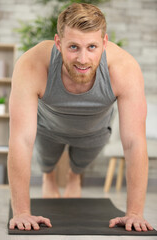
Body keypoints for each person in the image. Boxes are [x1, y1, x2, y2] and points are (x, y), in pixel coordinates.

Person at [8, 2, 153, 232]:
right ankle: (50, 177)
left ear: (104, 44)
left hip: (94, 132)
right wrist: (22, 212)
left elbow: (134, 142)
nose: (83, 59)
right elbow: (21, 140)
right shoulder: (32, 64)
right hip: (48, 129)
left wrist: (134, 213)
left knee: (79, 166)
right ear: (58, 43)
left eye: (92, 47)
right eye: (73, 47)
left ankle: (74, 176)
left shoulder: (124, 68)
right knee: (46, 163)